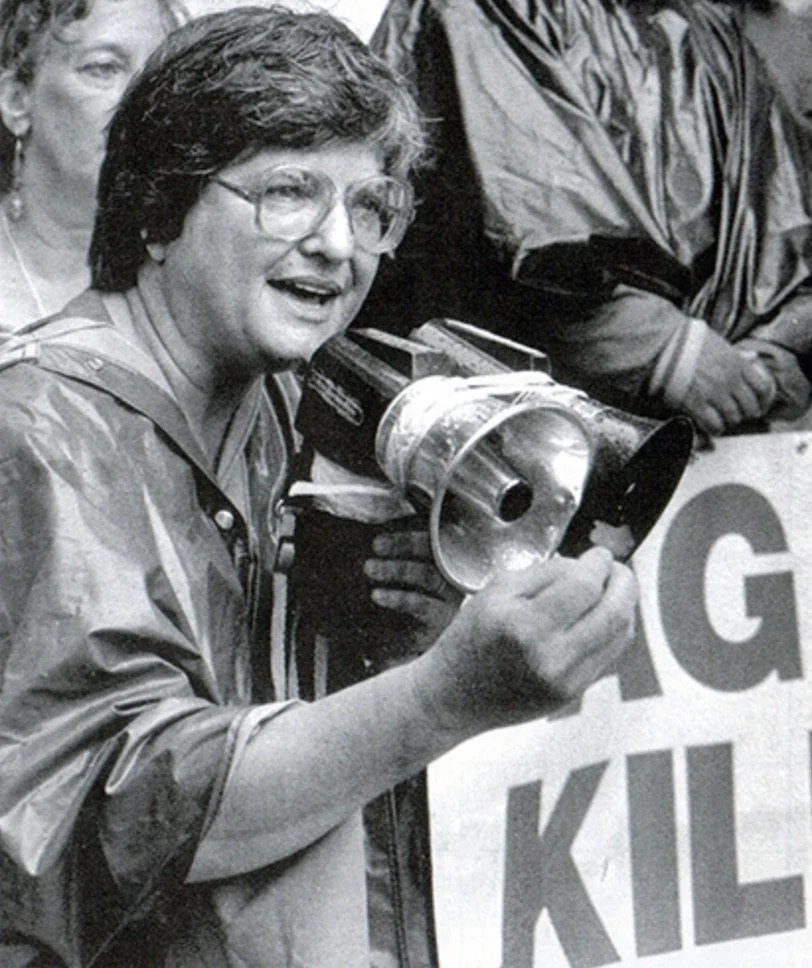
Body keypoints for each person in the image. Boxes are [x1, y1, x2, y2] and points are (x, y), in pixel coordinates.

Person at [0, 7, 638, 968]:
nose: (340, 244)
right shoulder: (40, 427)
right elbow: (122, 816)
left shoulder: (287, 401)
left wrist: (408, 638)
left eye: (371, 205)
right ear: (160, 212)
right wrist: (442, 695)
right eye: (290, 192)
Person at [358, 0, 812, 437]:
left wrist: (766, 355)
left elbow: (786, 226)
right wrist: (665, 350)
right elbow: (521, 228)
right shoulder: (482, 13)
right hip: (526, 435)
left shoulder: (712, 33)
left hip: (714, 441)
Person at [0, 0, 186, 330]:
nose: (143, 102)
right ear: (16, 99)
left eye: (158, 75)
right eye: (104, 68)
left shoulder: (185, 281)